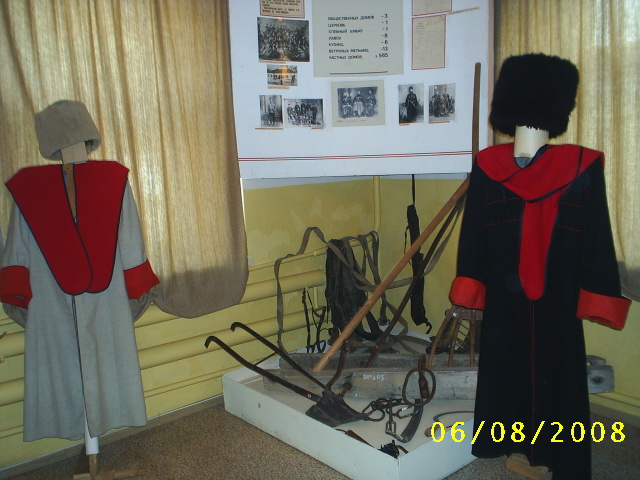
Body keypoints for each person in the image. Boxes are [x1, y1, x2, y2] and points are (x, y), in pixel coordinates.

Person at [450, 54, 630, 480]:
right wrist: (599, 291)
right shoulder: (567, 166)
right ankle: (549, 454)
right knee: (555, 375)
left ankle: (528, 447)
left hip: (513, 301)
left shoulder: (495, 167)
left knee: (515, 368)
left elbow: (473, 239)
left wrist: (472, 284)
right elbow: (597, 239)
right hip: (557, 299)